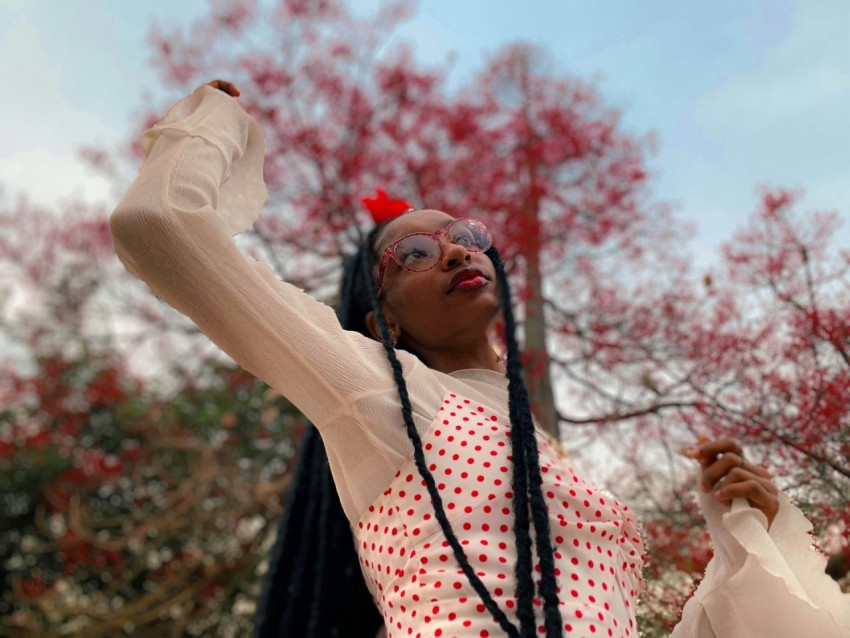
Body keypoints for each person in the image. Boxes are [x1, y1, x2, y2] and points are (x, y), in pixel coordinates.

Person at [109, 80, 850, 637]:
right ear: (382, 319)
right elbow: (159, 223)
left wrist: (745, 537)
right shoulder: (374, 394)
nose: (458, 248)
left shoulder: (550, 455)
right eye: (415, 252)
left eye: (464, 234)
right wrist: (213, 123)